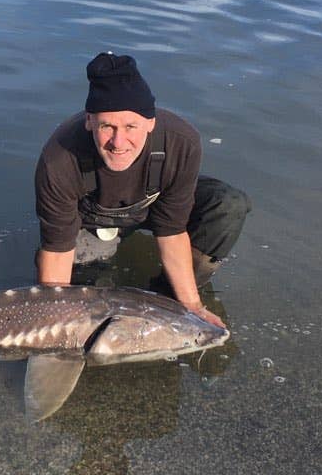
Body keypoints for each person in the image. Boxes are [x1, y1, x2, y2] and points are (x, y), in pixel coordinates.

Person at [34, 52, 251, 328]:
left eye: (130, 126)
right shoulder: (59, 159)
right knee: (80, 299)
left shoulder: (181, 142)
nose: (118, 141)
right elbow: (57, 250)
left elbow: (171, 229)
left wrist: (192, 306)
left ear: (151, 122)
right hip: (91, 220)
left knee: (228, 204)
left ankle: (167, 301)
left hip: (153, 205)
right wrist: (55, 322)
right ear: (89, 121)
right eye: (107, 126)